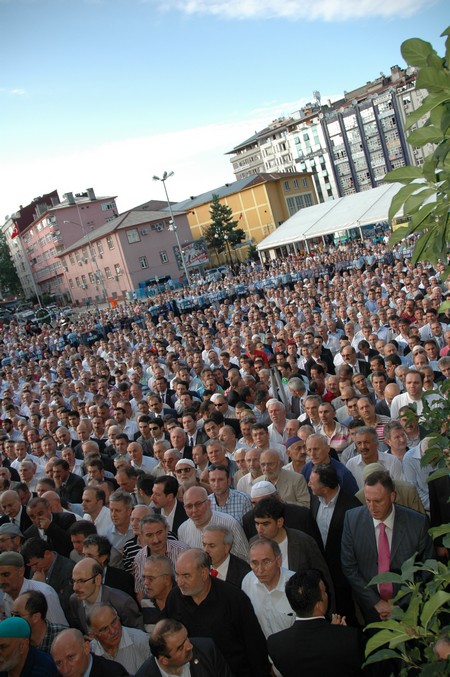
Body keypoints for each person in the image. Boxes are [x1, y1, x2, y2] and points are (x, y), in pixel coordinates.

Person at [341, 470, 435, 623]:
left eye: (378, 501)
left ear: (392, 496)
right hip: (370, 609)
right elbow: (349, 566)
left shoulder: (417, 523)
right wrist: (376, 603)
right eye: (368, 500)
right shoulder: (352, 520)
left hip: (409, 610)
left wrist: (401, 606)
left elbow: (426, 569)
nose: (372, 507)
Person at [165, 549, 271, 677]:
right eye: (177, 575)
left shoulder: (234, 598)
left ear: (204, 573)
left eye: (186, 576)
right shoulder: (174, 598)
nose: (180, 582)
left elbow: (254, 644)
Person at [267, 569, 365, 677]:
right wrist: (339, 632)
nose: (327, 595)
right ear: (318, 604)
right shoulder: (351, 638)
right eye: (324, 592)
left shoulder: (276, 644)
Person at [251, 497, 333, 598]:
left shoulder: (304, 542)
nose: (260, 529)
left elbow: (323, 578)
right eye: (257, 523)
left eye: (266, 524)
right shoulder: (254, 543)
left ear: (279, 522)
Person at [134, 618, 234, 677]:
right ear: (164, 660)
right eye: (181, 647)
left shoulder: (207, 649)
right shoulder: (145, 674)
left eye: (186, 638)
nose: (190, 646)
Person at [68, 557, 143, 633]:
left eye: (81, 581)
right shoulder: (75, 600)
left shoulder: (122, 603)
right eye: (74, 581)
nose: (75, 587)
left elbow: (139, 634)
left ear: (98, 579)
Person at [241, 537, 295, 638]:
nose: (260, 570)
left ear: (279, 561)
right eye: (254, 563)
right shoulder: (247, 581)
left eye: (266, 562)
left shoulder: (296, 584)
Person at [178, 486, 248, 562]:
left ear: (209, 503)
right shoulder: (183, 530)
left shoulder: (230, 524)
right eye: (189, 506)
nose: (194, 510)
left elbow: (245, 558)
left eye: (198, 504)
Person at [0, 551, 68, 626]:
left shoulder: (44, 593)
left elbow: (60, 629)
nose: (1, 580)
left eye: (6, 575)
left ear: (21, 572)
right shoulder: (3, 596)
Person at [87, 602, 151, 675]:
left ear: (118, 617)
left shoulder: (142, 641)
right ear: (94, 636)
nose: (113, 631)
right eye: (104, 629)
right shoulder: (90, 654)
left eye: (114, 622)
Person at [51, 627, 128, 677]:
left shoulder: (114, 674)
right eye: (59, 663)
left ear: (86, 648)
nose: (66, 670)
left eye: (70, 657)